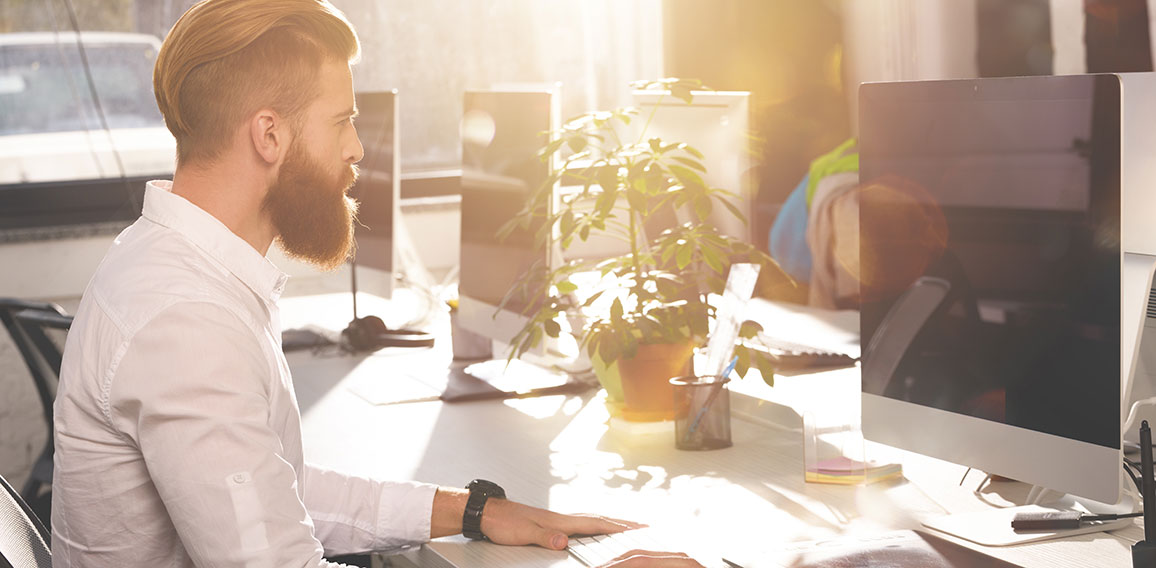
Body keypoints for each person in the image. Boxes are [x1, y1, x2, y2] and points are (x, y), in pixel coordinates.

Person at [50, 1, 704, 566]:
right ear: (269, 134)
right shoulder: (186, 320)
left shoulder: (178, 268)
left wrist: (475, 511)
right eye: (341, 122)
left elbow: (276, 492)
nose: (358, 148)